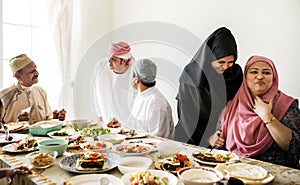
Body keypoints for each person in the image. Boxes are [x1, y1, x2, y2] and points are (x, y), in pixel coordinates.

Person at [209, 55, 300, 169]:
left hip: (276, 175)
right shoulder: (232, 105)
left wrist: (267, 117)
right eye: (253, 72)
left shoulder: (287, 105)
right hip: (235, 172)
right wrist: (214, 140)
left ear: (274, 78)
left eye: (266, 73)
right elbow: (220, 141)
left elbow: (297, 147)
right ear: (245, 77)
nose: (260, 76)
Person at [175, 27, 243, 146]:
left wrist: (221, 134)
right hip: (192, 137)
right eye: (221, 62)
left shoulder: (235, 73)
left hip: (224, 137)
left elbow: (237, 109)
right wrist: (208, 139)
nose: (226, 67)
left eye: (230, 62)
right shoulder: (191, 75)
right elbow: (186, 116)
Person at [122, 58, 174, 139]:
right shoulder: (141, 95)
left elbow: (158, 139)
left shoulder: (157, 103)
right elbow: (134, 125)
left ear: (136, 79)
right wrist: (120, 124)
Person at [0, 54, 54, 124]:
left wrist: (56, 116)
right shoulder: (3, 96)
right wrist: (17, 123)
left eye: (36, 69)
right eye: (32, 71)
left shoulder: (41, 91)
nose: (37, 73)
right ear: (18, 76)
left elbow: (48, 119)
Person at [94, 41, 135, 125]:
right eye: (109, 57)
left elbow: (137, 101)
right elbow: (95, 91)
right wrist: (99, 114)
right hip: (106, 117)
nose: (109, 61)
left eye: (113, 59)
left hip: (127, 122)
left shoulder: (134, 72)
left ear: (124, 61)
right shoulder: (101, 66)